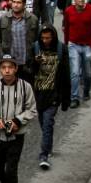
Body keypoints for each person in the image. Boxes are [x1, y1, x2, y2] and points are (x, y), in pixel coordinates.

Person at [32, 26, 71, 170]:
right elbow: (28, 71)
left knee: (48, 122)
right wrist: (35, 62)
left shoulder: (61, 49)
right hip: (38, 94)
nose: (45, 40)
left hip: (53, 94)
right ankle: (48, 145)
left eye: (48, 37)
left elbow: (66, 73)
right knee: (44, 123)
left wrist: (66, 99)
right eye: (43, 38)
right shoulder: (35, 48)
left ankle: (44, 155)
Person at [63, 0, 91, 108]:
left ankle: (86, 91)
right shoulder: (68, 11)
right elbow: (66, 28)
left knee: (87, 73)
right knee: (74, 72)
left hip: (87, 45)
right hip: (73, 45)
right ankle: (74, 97)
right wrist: (66, 43)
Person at [0, 0, 39, 81]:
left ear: (24, 4)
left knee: (27, 87)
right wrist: (1, 53)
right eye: (14, 2)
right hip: (10, 61)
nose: (16, 5)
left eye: (19, 2)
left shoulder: (32, 19)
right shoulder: (3, 19)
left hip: (27, 61)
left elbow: (37, 39)